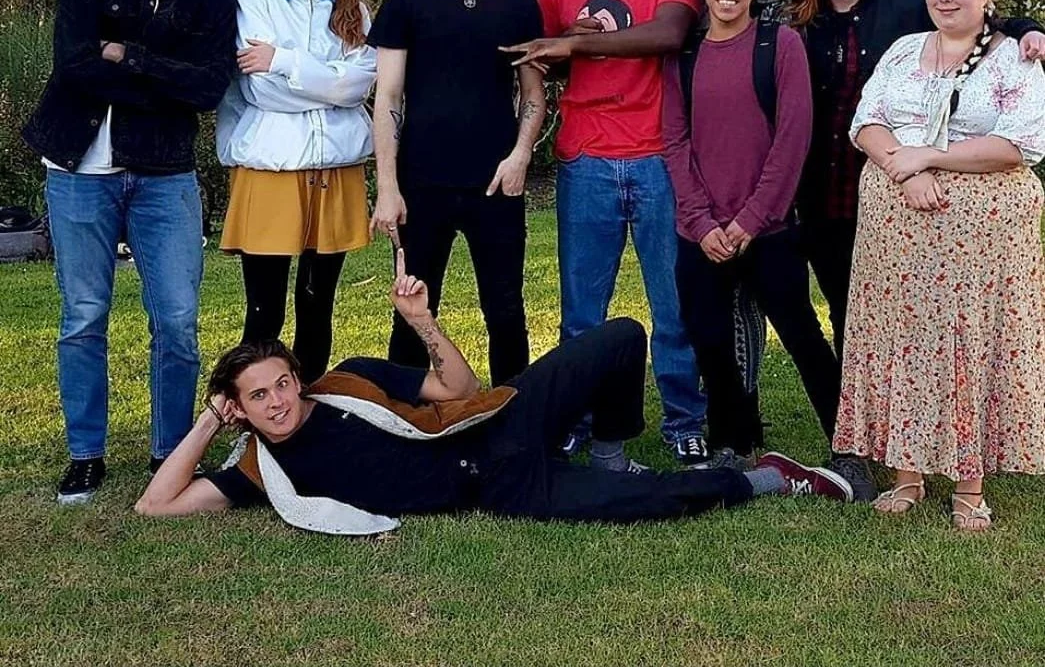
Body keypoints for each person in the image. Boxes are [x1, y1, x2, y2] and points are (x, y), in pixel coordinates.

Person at [135, 244, 855, 530]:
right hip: (495, 487)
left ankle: (606, 449)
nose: (278, 402)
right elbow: (154, 506)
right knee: (652, 502)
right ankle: (773, 480)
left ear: (297, 377)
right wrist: (208, 424)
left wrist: (423, 323)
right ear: (242, 407)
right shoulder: (261, 470)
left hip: (497, 422)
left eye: (281, 384)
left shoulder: (346, 380)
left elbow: (458, 384)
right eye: (257, 397)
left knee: (621, 336)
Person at [800, 0, 1045, 501]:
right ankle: (907, 476)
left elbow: (1020, 142)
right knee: (899, 340)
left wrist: (926, 156)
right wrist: (903, 167)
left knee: (969, 343)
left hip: (981, 229)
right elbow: (868, 121)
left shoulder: (1016, 57)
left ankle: (969, 485)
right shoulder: (906, 49)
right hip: (898, 224)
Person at [21, 0, 238, 505]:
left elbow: (206, 90)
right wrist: (156, 72)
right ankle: (84, 453)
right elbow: (76, 64)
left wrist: (133, 57)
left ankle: (168, 451)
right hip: (78, 169)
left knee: (175, 319)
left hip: (163, 174)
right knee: (83, 313)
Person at [502, 0, 708, 467]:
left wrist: (577, 41)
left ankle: (684, 421)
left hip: (659, 158)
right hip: (585, 156)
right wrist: (568, 38)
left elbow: (668, 34)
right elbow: (545, 59)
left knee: (672, 305)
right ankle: (576, 418)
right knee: (580, 311)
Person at [663, 0, 840, 469]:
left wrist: (749, 220)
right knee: (711, 340)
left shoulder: (778, 44)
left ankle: (847, 445)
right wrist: (700, 221)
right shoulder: (685, 53)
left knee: (804, 338)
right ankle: (732, 442)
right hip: (703, 233)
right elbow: (675, 139)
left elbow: (792, 138)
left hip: (768, 230)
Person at [367, 0, 545, 386]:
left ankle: (514, 420)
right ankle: (403, 423)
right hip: (421, 184)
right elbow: (389, 98)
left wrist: (520, 158)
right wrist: (387, 187)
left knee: (506, 310)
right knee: (414, 310)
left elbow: (533, 95)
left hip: (496, 184)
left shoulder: (517, 3)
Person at [216, 0, 377, 385]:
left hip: (336, 170)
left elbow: (362, 83)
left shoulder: (353, 7)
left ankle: (306, 406)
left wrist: (284, 60)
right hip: (271, 169)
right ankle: (252, 412)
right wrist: (331, 81)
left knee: (317, 304)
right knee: (264, 311)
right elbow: (261, 90)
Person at [731, 0, 823, 409]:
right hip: (720, 185)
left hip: (777, 193)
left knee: (791, 313)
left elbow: (790, 126)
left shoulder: (795, 31)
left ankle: (843, 430)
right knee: (733, 308)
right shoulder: (715, 11)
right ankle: (737, 408)